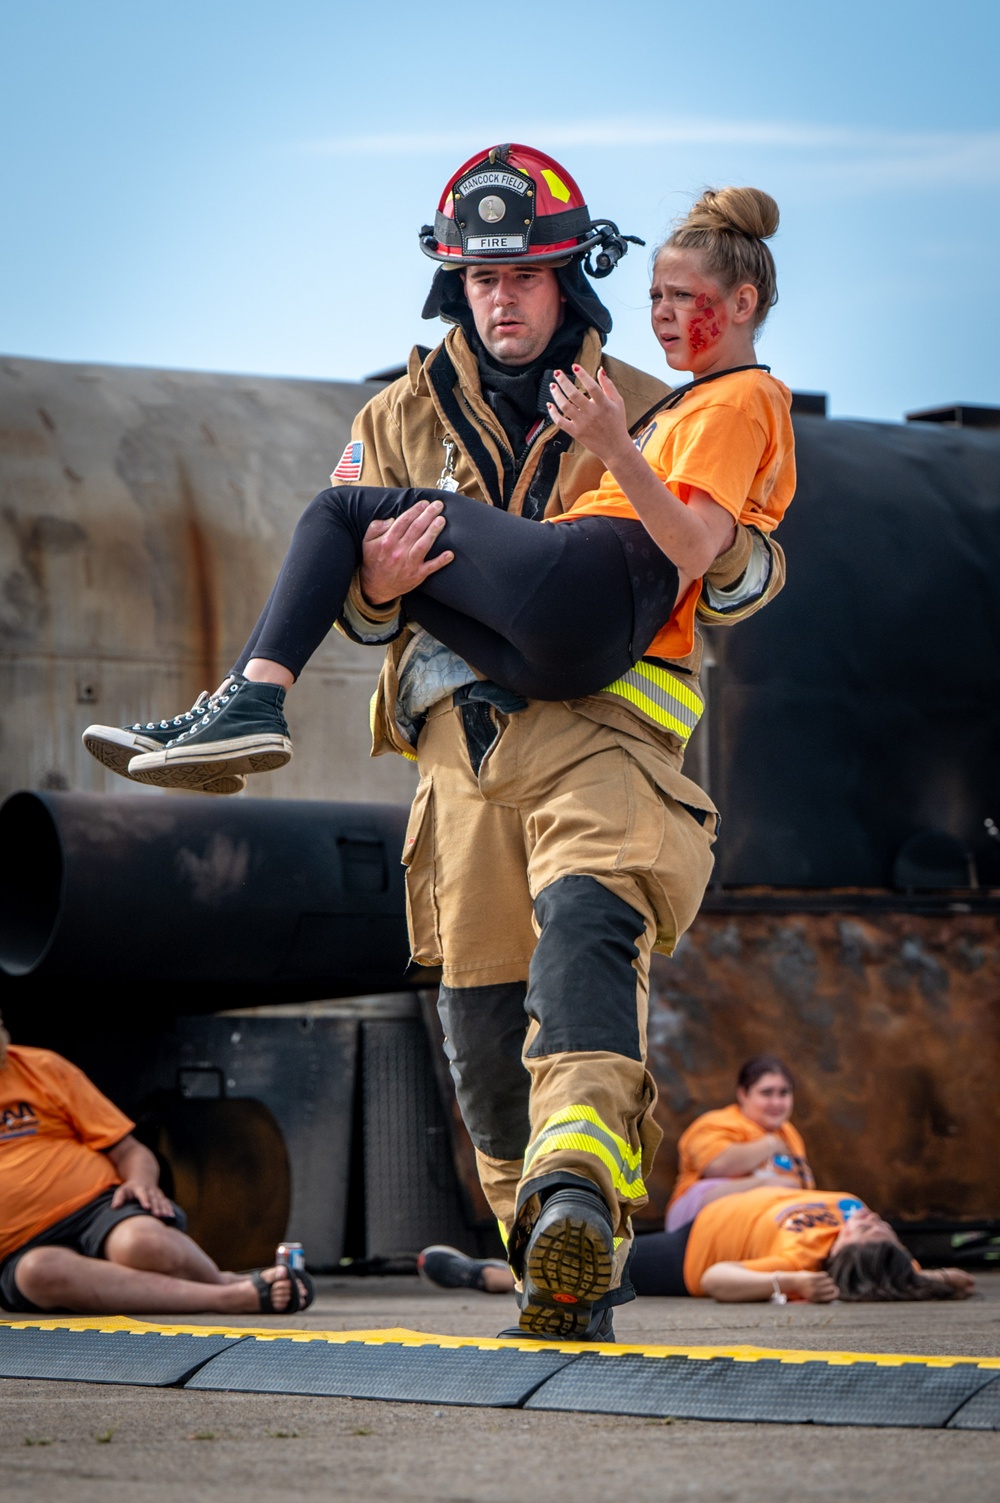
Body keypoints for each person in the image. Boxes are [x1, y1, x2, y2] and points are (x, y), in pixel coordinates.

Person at [83, 145, 788, 1343]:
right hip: (458, 760)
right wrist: (374, 584)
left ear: (570, 281)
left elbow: (735, 574)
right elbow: (359, 603)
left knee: (587, 938)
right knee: (478, 1022)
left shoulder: (656, 395)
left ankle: (576, 1198)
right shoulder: (393, 418)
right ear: (450, 287)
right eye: (476, 281)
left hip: (606, 734)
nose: (500, 300)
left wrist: (680, 516)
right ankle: (550, 1260)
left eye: (522, 279)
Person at [0, 1014, 313, 1316]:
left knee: (143, 1244)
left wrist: (141, 1183)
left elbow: (130, 1151)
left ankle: (227, 1282)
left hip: (97, 1208)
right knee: (39, 1273)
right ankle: (230, 1297)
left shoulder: (42, 1068)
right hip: (17, 1246)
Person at [628, 1185, 975, 1303]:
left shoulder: (804, 1261)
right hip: (722, 1211)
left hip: (692, 1248)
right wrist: (933, 1279)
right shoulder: (889, 1260)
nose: (874, 1219)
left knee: (603, 1260)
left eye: (868, 1230)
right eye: (884, 1228)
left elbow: (715, 1278)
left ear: (843, 1252)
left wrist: (790, 1282)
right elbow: (960, 1279)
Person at [667, 1055, 814, 1231]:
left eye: (784, 1093)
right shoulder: (715, 1123)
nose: (776, 1102)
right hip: (695, 1215)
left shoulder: (789, 1133)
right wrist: (771, 1144)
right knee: (781, 1185)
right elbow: (717, 1166)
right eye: (766, 1093)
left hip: (764, 1219)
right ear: (743, 1094)